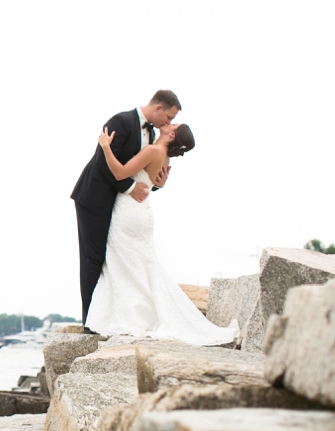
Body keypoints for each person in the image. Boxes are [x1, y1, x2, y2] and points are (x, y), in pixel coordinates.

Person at [85, 120, 238, 344]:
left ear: (173, 134)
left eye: (173, 124)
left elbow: (119, 173)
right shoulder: (162, 154)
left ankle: (133, 318)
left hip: (129, 214)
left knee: (126, 267)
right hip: (141, 212)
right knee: (141, 268)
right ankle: (140, 315)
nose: (168, 122)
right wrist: (160, 185)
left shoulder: (153, 150)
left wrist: (105, 146)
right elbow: (150, 181)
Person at [71, 91, 179, 329]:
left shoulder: (151, 133)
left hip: (119, 204)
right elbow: (102, 162)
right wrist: (130, 188)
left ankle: (109, 317)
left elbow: (139, 171)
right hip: (94, 198)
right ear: (159, 108)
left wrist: (157, 184)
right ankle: (90, 322)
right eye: (169, 117)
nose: (168, 123)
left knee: (111, 260)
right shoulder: (120, 121)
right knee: (93, 258)